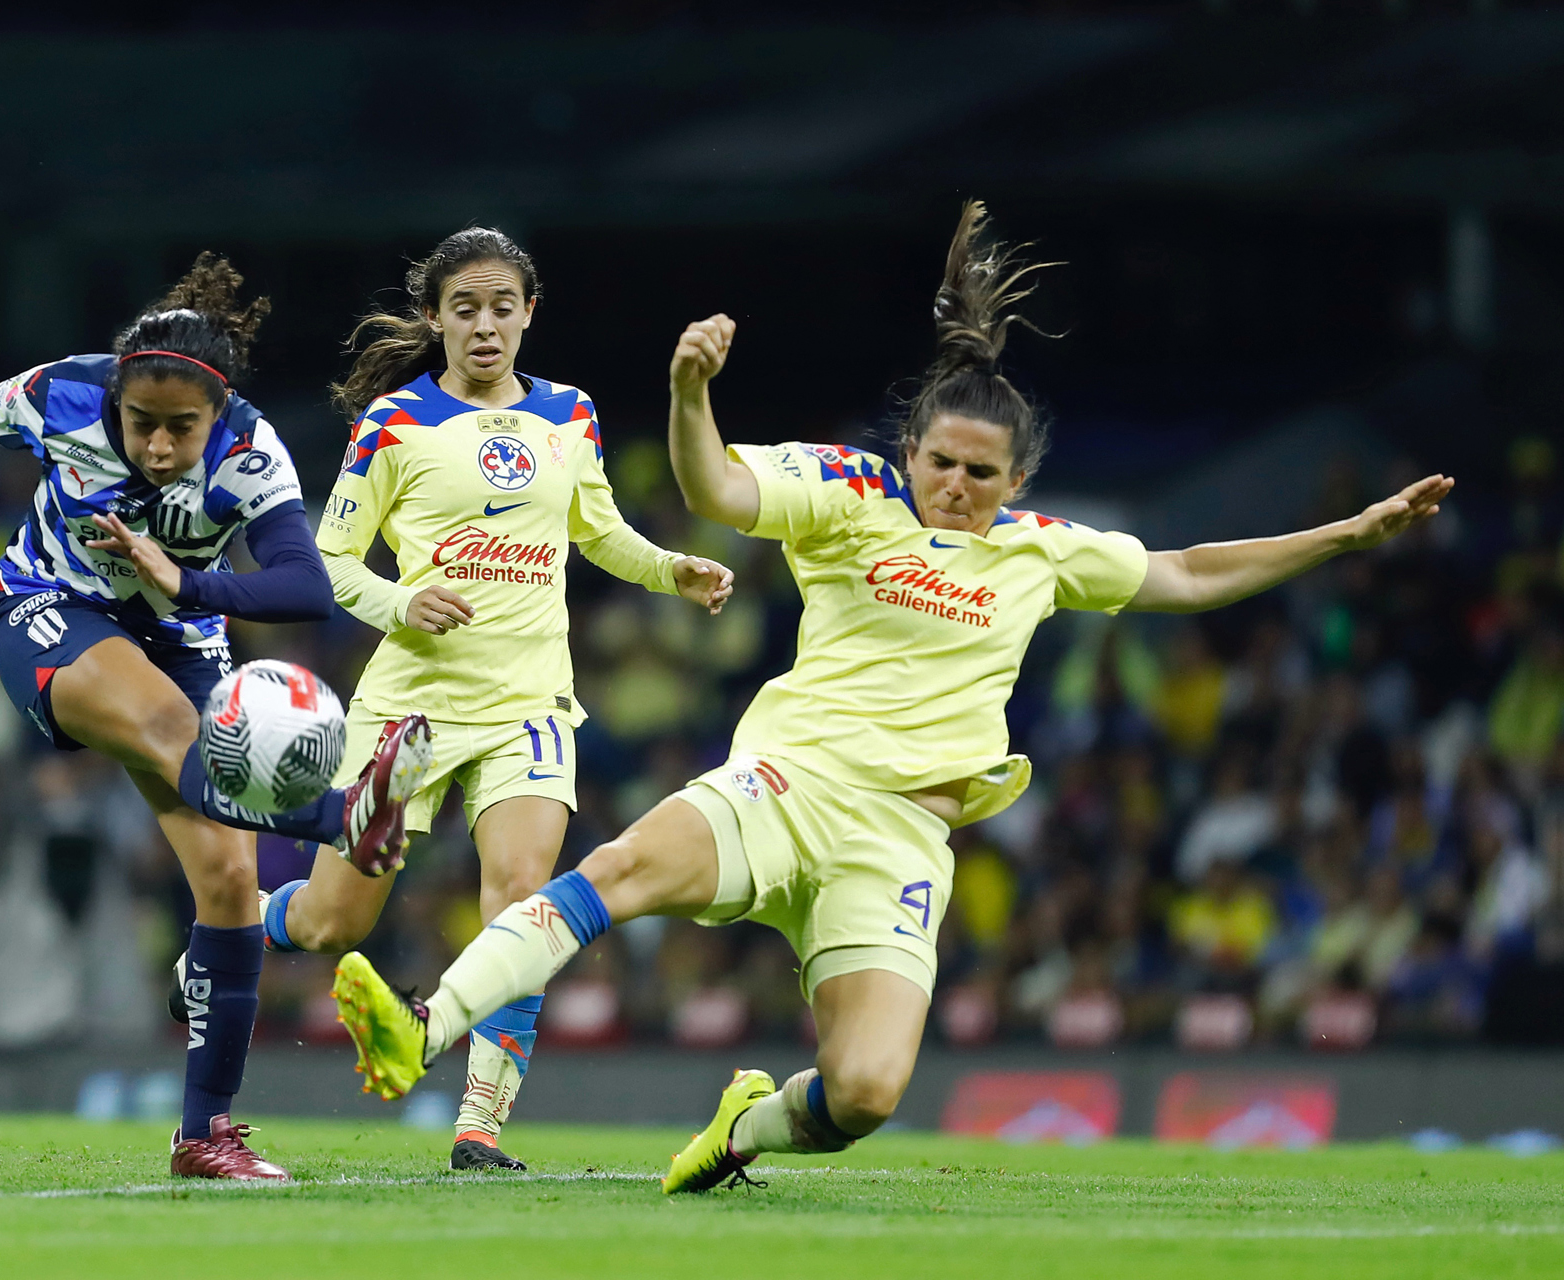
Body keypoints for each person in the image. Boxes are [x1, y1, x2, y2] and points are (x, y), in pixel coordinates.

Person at [325, 201, 1453, 1191]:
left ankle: (742, 1129)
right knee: (611, 871)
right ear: (910, 447)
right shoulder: (847, 489)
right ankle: (424, 1027)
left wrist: (1346, 534)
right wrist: (688, 394)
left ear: (1018, 479)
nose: (954, 486)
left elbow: (1191, 572)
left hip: (903, 835)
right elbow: (717, 487)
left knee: (863, 1091)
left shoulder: (1043, 549)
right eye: (940, 462)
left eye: (981, 473)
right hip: (789, 784)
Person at [0, 254, 434, 1182]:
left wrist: (186, 582)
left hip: (182, 635)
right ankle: (342, 816)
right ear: (117, 399)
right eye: (143, 424)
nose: (160, 447)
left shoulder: (251, 454)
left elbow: (304, 587)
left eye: (182, 428)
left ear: (218, 413)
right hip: (51, 609)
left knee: (228, 881)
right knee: (173, 733)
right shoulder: (62, 394)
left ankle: (203, 1136)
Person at [254, 227, 732, 1172]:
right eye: (465, 308)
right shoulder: (394, 422)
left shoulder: (569, 413)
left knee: (521, 903)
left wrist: (669, 568)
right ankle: (230, 928)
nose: (484, 326)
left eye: (501, 307)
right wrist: (402, 602)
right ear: (434, 318)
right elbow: (331, 560)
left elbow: (600, 531)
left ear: (529, 314)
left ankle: (478, 1129)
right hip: (410, 706)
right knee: (333, 922)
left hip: (530, 704)